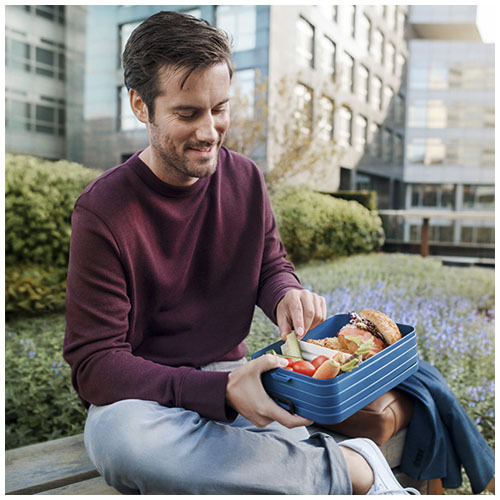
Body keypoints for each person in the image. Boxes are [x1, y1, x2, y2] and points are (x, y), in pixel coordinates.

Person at [63, 11, 419, 495]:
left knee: (229, 437)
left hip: (232, 377)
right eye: (188, 114)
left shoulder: (246, 179)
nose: (210, 131)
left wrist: (286, 295)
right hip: (141, 397)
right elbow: (94, 365)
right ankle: (359, 470)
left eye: (220, 108)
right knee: (124, 444)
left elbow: (270, 266)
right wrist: (215, 393)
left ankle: (288, 464)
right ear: (141, 106)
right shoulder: (102, 211)